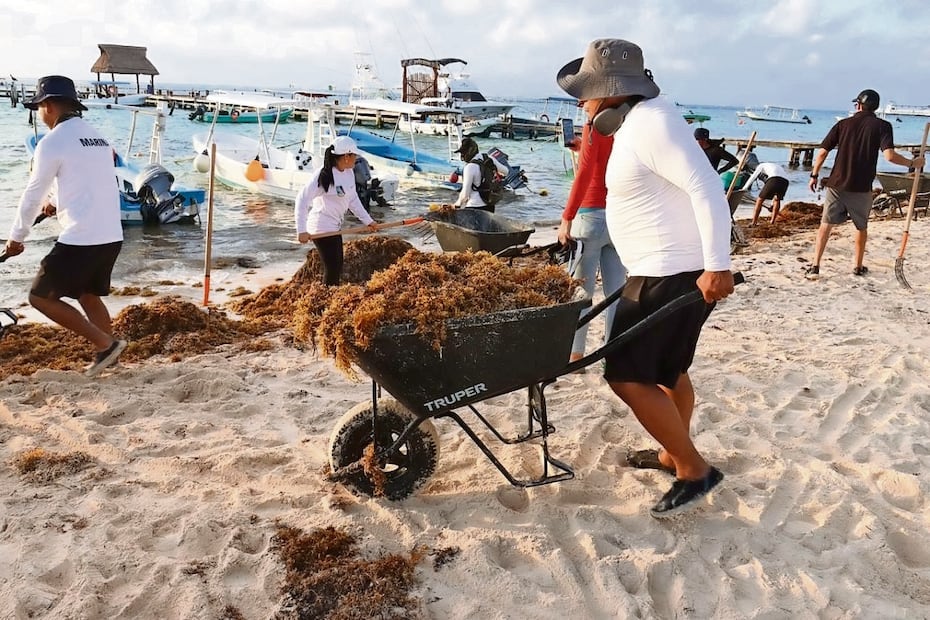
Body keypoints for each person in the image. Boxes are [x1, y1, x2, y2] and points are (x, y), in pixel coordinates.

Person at [557, 39, 735, 517]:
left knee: (627, 377)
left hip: (669, 271)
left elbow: (707, 189)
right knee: (670, 371)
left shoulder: (653, 125)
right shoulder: (644, 121)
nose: (582, 103)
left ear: (612, 90)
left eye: (587, 93)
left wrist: (719, 263)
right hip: (669, 268)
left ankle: (693, 470)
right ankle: (670, 452)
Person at [4, 75, 127, 377]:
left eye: (38, 108)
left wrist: (16, 237)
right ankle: (111, 356)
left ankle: (106, 344)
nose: (39, 114)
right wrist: (57, 202)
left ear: (47, 105)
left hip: (83, 236)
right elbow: (89, 181)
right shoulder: (98, 137)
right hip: (111, 234)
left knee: (40, 296)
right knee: (86, 293)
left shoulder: (52, 142)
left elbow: (33, 192)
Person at [806, 89, 924, 278]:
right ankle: (857, 266)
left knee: (826, 224)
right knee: (861, 227)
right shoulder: (883, 126)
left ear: (859, 105)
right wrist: (912, 163)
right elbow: (890, 156)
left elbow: (822, 152)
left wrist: (814, 175)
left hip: (837, 184)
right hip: (862, 187)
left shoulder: (843, 124)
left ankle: (815, 265)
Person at [557, 99, 626, 364]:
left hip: (589, 217)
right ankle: (612, 353)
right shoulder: (623, 127)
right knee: (616, 293)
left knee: (581, 294)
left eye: (585, 101)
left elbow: (585, 173)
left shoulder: (593, 127)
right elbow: (605, 163)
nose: (583, 105)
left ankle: (575, 355)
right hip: (618, 217)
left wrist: (566, 218)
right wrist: (581, 148)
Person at [295, 136, 378, 285]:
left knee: (337, 265)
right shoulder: (324, 175)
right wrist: (301, 230)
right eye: (354, 155)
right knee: (333, 267)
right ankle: (326, 300)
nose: (356, 158)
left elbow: (353, 200)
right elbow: (302, 199)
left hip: (334, 226)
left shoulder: (348, 173)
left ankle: (328, 296)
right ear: (346, 156)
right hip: (321, 227)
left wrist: (368, 221)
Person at [451, 137, 506, 212]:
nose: (462, 156)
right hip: (489, 205)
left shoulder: (469, 167)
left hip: (474, 207)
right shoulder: (488, 158)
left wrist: (456, 205)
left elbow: (465, 194)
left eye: (463, 153)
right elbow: (506, 171)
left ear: (469, 152)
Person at [741, 160, 790, 225]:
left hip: (774, 179)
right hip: (785, 181)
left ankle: (754, 222)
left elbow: (753, 177)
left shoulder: (761, 166)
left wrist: (744, 188)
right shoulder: (773, 166)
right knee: (777, 200)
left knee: (759, 200)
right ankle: (772, 221)